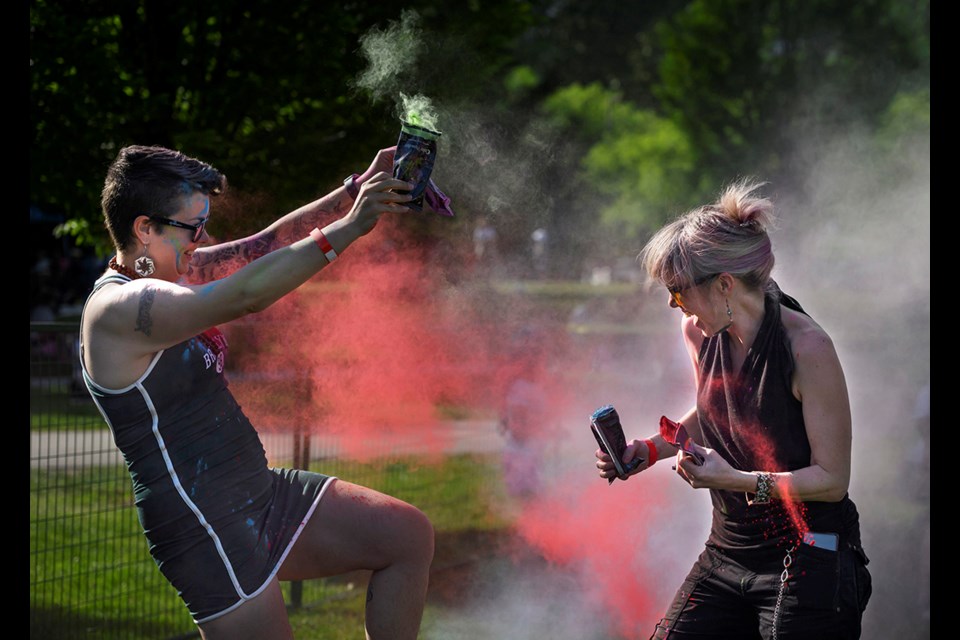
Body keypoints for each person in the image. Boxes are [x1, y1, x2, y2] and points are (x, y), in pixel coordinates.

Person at [79, 144, 435, 640]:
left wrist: (355, 190)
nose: (201, 240)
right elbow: (247, 294)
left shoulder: (172, 270)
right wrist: (351, 226)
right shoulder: (119, 308)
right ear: (144, 228)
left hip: (257, 492)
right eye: (192, 226)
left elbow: (265, 244)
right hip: (203, 523)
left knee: (405, 536)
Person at [594, 180, 871, 639]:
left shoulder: (808, 349)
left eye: (678, 288)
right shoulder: (698, 331)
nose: (671, 301)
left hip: (807, 557)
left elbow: (831, 479)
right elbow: (715, 410)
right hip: (728, 554)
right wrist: (645, 450)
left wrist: (735, 481)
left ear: (724, 284)